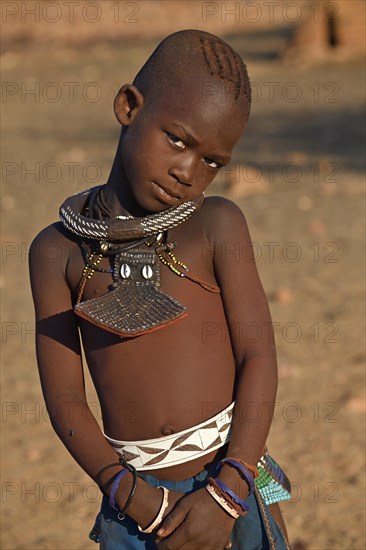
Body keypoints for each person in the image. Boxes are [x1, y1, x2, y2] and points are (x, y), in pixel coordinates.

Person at [29, 29, 291, 549]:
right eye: (177, 139)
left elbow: (259, 356)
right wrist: (134, 498)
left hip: (234, 478)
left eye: (213, 161)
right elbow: (64, 399)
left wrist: (228, 492)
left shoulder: (217, 226)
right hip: (136, 504)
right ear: (129, 106)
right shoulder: (57, 252)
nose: (188, 172)